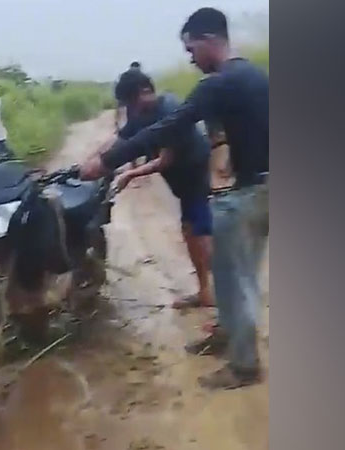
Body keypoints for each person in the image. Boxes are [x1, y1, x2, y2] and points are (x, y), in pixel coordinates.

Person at [80, 7, 268, 390]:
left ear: (207, 39)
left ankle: (245, 366)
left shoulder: (217, 84)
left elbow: (170, 128)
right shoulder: (255, 76)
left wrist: (109, 162)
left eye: (190, 49)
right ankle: (227, 337)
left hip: (250, 192)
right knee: (236, 272)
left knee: (236, 280)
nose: (190, 58)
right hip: (265, 187)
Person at [112, 69, 214, 310]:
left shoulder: (170, 110)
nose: (131, 111)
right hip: (182, 182)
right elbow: (121, 140)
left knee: (198, 235)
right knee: (191, 232)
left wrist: (130, 173)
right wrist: (93, 162)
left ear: (145, 92)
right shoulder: (141, 112)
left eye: (131, 103)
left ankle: (214, 296)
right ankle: (207, 291)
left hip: (193, 175)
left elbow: (165, 159)